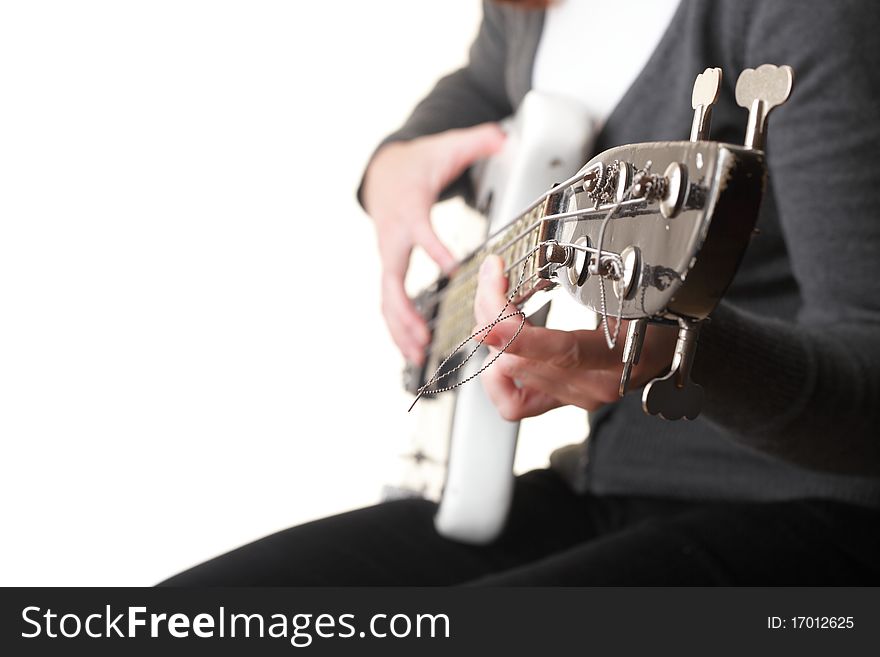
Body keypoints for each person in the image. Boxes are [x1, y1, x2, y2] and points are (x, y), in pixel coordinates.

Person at [160, 0, 880, 585]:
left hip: (813, 516)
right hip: (606, 487)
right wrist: (395, 162)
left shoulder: (804, 15)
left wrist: (675, 351)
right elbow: (480, 82)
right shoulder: (525, 9)